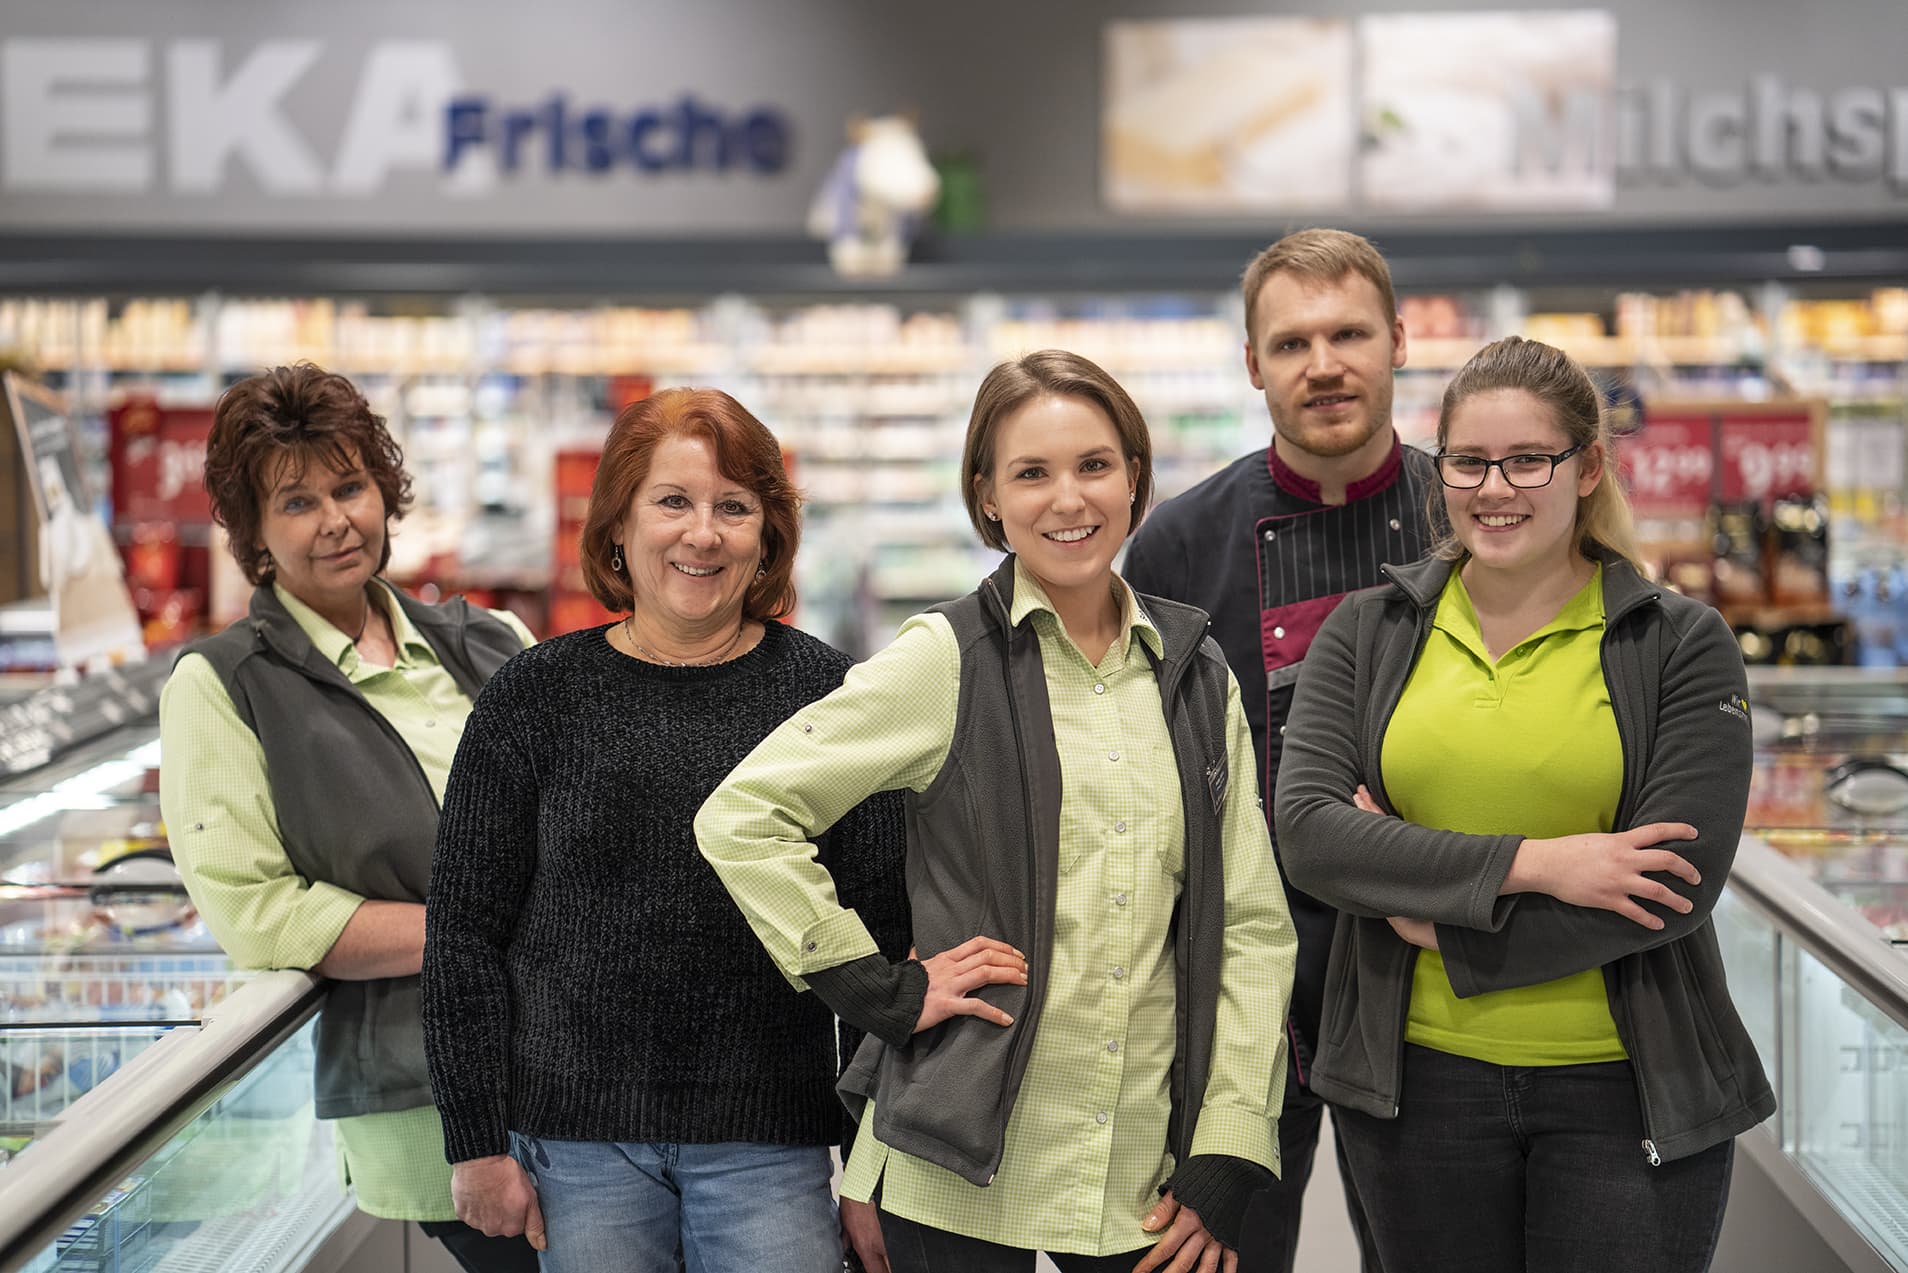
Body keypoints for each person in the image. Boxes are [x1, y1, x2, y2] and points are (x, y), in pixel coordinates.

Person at [696, 350, 1297, 1273]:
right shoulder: (945, 658)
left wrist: (1231, 1140)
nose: (1069, 499)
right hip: (960, 1158)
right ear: (987, 498)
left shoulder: (1193, 673)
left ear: (1136, 476)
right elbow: (745, 814)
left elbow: (1252, 924)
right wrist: (868, 982)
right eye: (1031, 472)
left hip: (1148, 1162)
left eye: (1095, 465)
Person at [1274, 336, 1772, 1273]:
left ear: (1586, 467)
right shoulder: (1369, 631)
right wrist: (1545, 863)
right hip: (1414, 1088)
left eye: (1526, 460)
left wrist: (1444, 924)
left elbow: (1674, 883)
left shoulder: (1679, 643)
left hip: (1628, 1090)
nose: (1493, 488)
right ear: (1441, 468)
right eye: (1468, 461)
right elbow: (1310, 835)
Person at [421, 387, 910, 1273]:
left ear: (768, 535)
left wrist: (874, 1161)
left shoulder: (832, 701)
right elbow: (461, 933)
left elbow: (886, 944)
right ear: (618, 524)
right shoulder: (535, 697)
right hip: (575, 1149)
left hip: (773, 1149)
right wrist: (474, 1139)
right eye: (673, 501)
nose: (703, 533)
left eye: (735, 507)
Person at [158, 363, 539, 1273]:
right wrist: (474, 930)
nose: (335, 519)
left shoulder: (490, 640)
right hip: (424, 1097)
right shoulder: (223, 686)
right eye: (295, 502)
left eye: (350, 486)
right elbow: (260, 914)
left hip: (575, 1063)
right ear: (250, 530)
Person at [1122, 227, 1433, 1272]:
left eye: (1349, 333)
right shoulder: (1179, 541)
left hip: (1435, 969)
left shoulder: (1470, 514)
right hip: (1245, 987)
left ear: (1400, 340)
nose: (1324, 364)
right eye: (1292, 343)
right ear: (1253, 365)